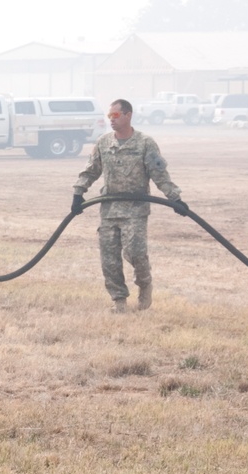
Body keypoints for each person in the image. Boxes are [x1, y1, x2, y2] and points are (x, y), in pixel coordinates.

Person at [71, 98, 189, 313]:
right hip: (109, 209)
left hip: (135, 210)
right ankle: (119, 302)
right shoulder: (104, 143)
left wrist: (175, 198)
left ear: (128, 115)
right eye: (109, 116)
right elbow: (91, 170)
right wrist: (79, 193)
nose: (111, 120)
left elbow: (159, 174)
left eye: (115, 116)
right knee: (109, 259)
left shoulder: (145, 143)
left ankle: (145, 284)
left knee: (135, 253)